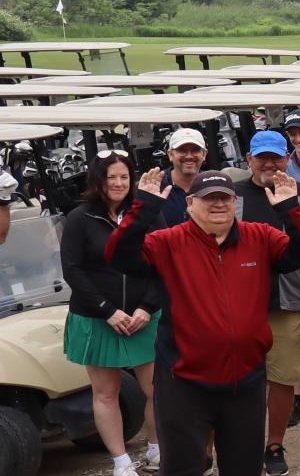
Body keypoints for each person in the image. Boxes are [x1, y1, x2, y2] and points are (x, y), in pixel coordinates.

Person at [107, 169, 300, 476]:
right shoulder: (168, 242)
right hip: (184, 385)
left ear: (235, 202)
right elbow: (118, 255)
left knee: (243, 469)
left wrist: (289, 209)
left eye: (225, 198)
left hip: (245, 382)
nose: (218, 205)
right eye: (209, 199)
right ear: (190, 203)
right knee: (183, 469)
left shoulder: (259, 236)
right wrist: (145, 207)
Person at [61, 153, 161, 475]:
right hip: (98, 316)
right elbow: (73, 271)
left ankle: (158, 448)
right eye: (110, 177)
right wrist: (107, 310)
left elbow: (166, 264)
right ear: (97, 181)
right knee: (106, 392)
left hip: (144, 315)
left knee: (157, 388)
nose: (118, 183)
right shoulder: (79, 218)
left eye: (124, 177)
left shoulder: (146, 215)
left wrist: (147, 307)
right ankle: (121, 461)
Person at [231, 132, 300, 475]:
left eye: (276, 157)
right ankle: (228, 445)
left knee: (283, 379)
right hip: (240, 304)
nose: (269, 164)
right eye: (261, 157)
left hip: (289, 301)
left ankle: (274, 444)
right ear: (249, 158)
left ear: (288, 158)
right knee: (233, 379)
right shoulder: (233, 196)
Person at [158, 128, 209, 226]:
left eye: (195, 150)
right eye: (182, 150)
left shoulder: (214, 185)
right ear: (170, 154)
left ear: (204, 154)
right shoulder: (156, 186)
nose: (189, 156)